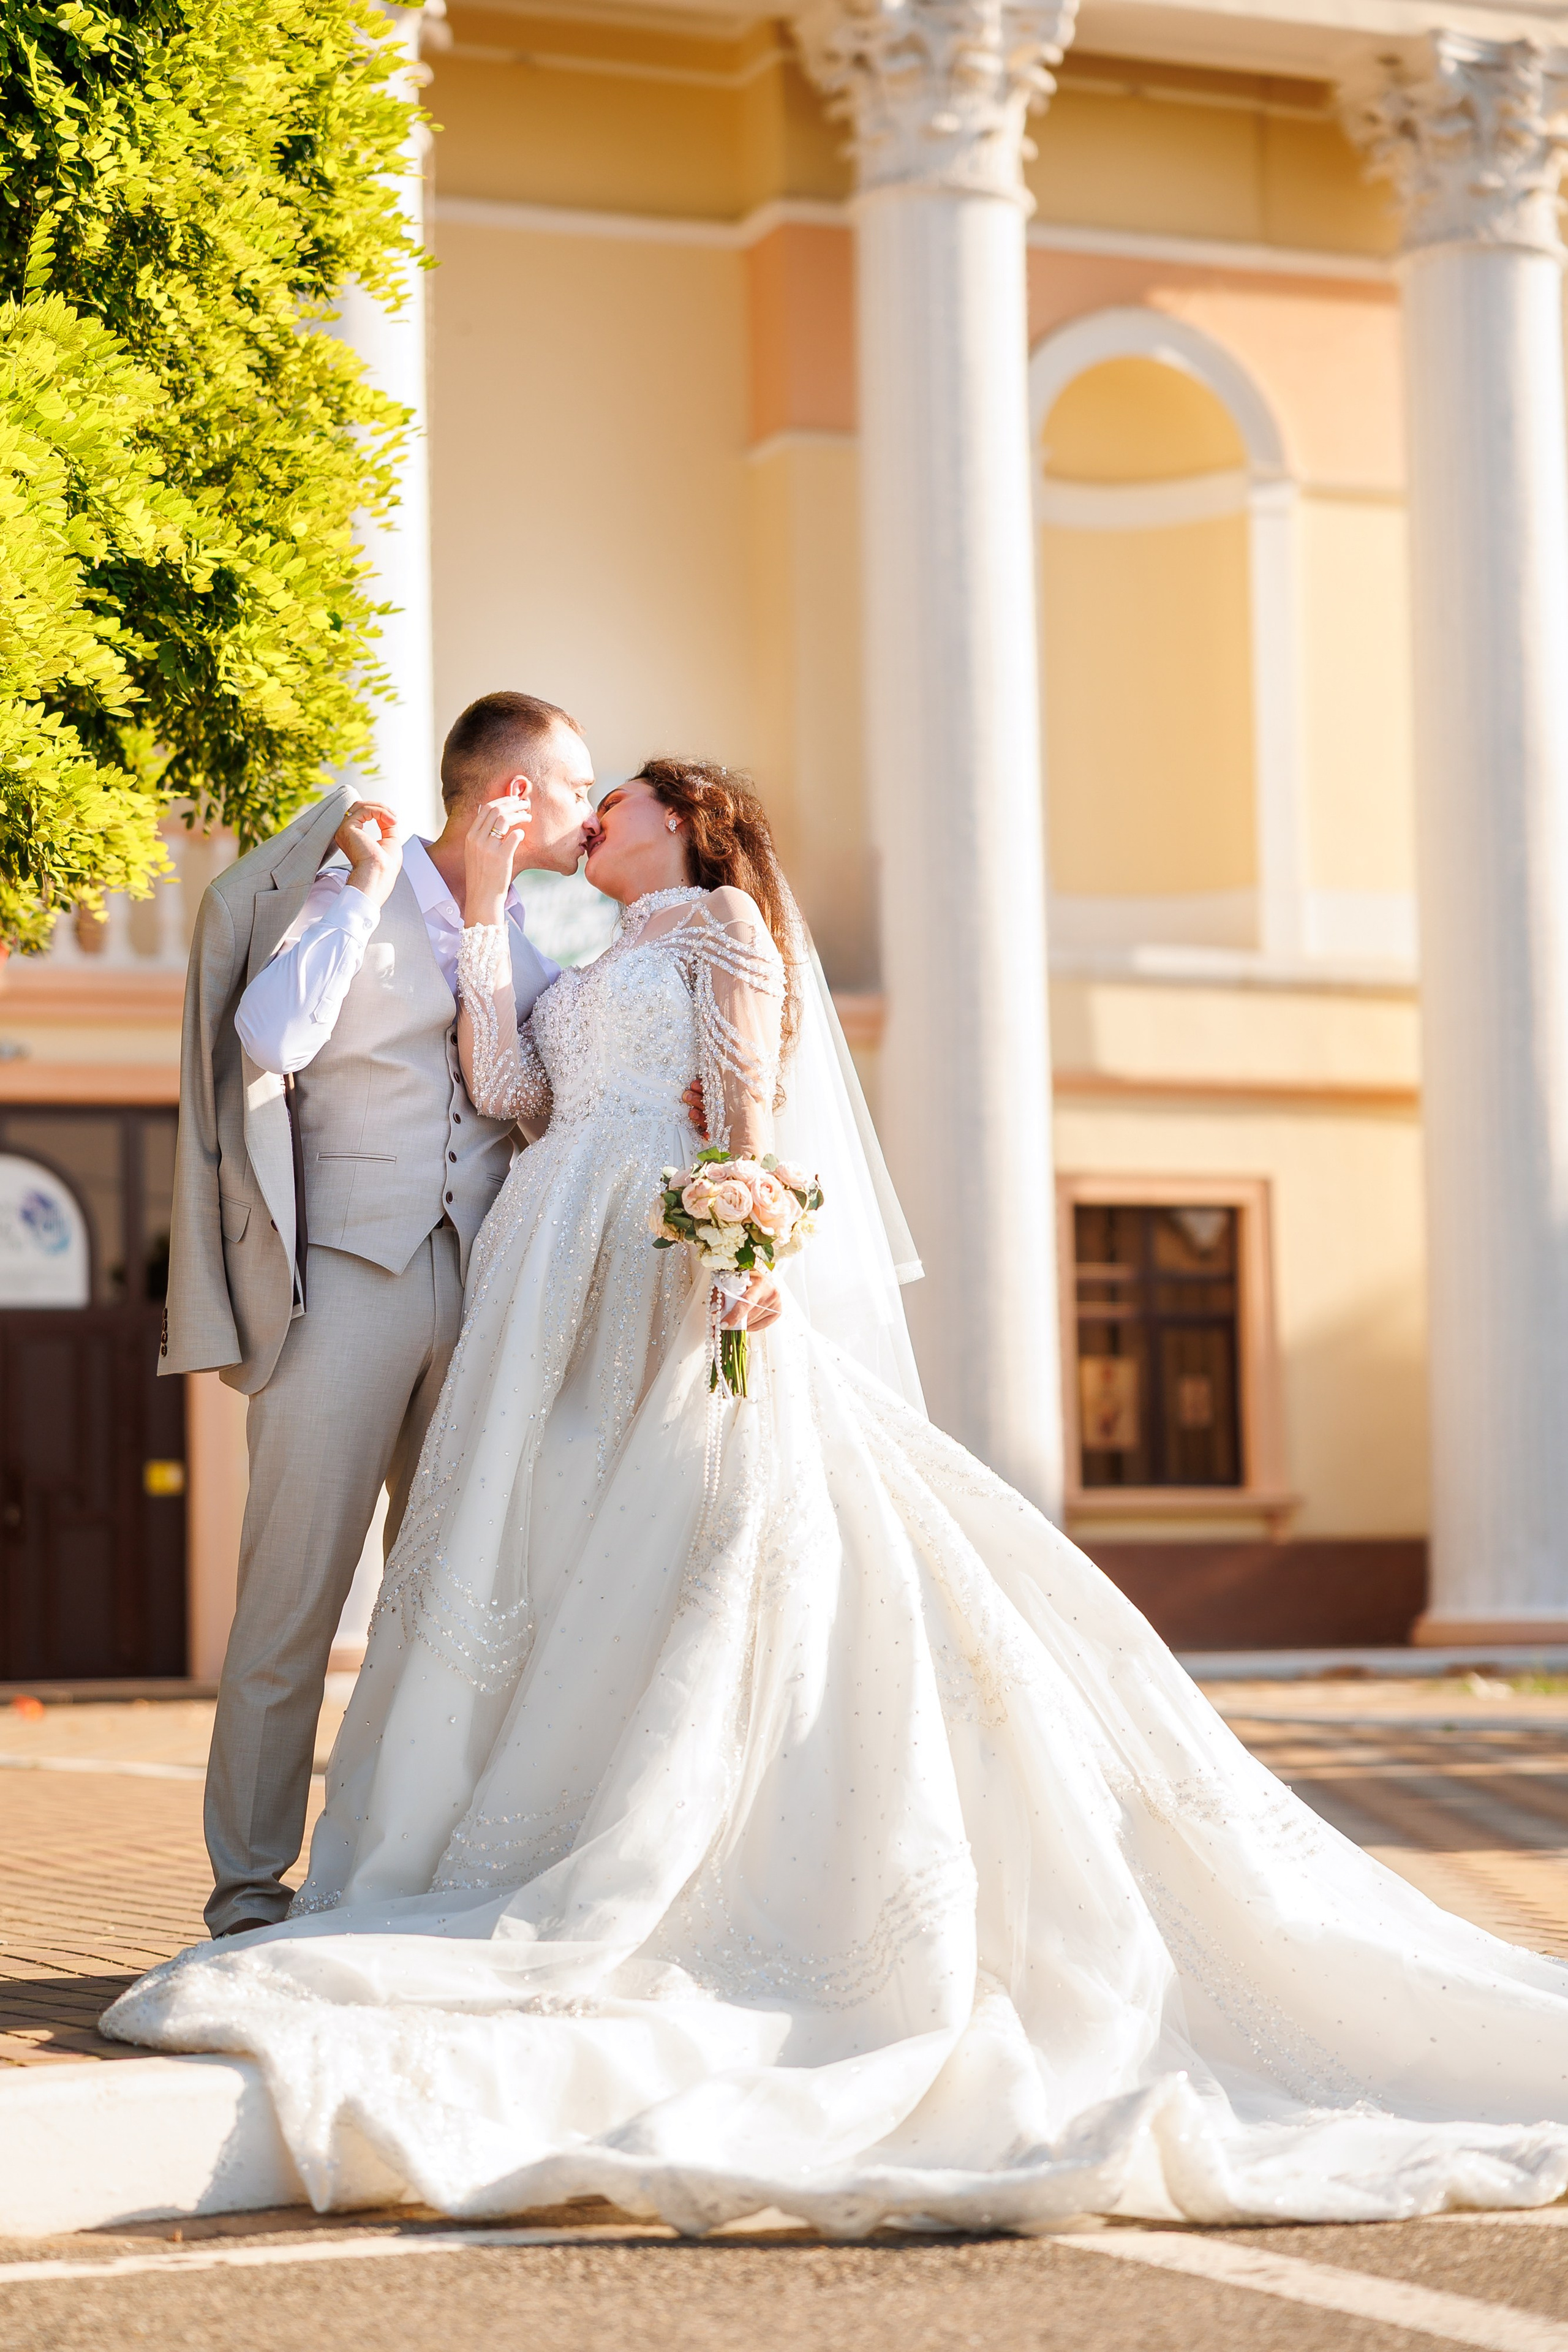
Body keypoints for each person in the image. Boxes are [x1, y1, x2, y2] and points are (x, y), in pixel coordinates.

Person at [115, 759, 1568, 2234]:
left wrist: (741, 1241)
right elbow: (507, 1090)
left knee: (700, 1540)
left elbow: (748, 1112)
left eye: (612, 801)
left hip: (661, 1264)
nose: (591, 818)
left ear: (682, 822)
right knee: (556, 1558)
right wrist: (482, 921)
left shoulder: (722, 934)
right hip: (551, 1278)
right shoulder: (583, 949)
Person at [162, 689, 595, 1937]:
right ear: (507, 793)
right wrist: (353, 896)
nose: (585, 798)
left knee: (449, 1600)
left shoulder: (532, 931)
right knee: (293, 1599)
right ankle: (248, 1887)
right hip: (341, 1285)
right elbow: (275, 1033)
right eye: (573, 781)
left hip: (481, 1293)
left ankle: (395, 1876)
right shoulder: (354, 876)